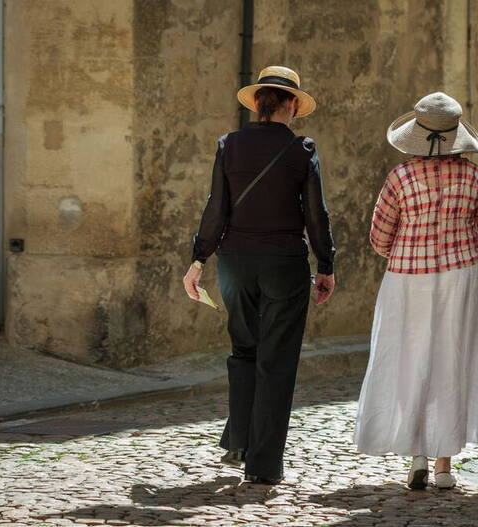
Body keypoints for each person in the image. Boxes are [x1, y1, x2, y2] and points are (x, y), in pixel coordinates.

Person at [183, 66, 336, 486]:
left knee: (243, 351)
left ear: (258, 104)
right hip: (284, 264)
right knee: (277, 361)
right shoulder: (302, 149)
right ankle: (264, 465)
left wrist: (198, 261)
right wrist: (326, 265)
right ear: (290, 104)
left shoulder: (228, 145)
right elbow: (315, 214)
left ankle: (238, 440)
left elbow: (216, 208)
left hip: (235, 263)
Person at [353, 92, 478, 490]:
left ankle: (416, 455)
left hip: (408, 281)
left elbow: (379, 236)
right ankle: (443, 466)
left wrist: (404, 253)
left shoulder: (400, 178)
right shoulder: (474, 177)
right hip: (462, 278)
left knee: (410, 360)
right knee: (454, 362)